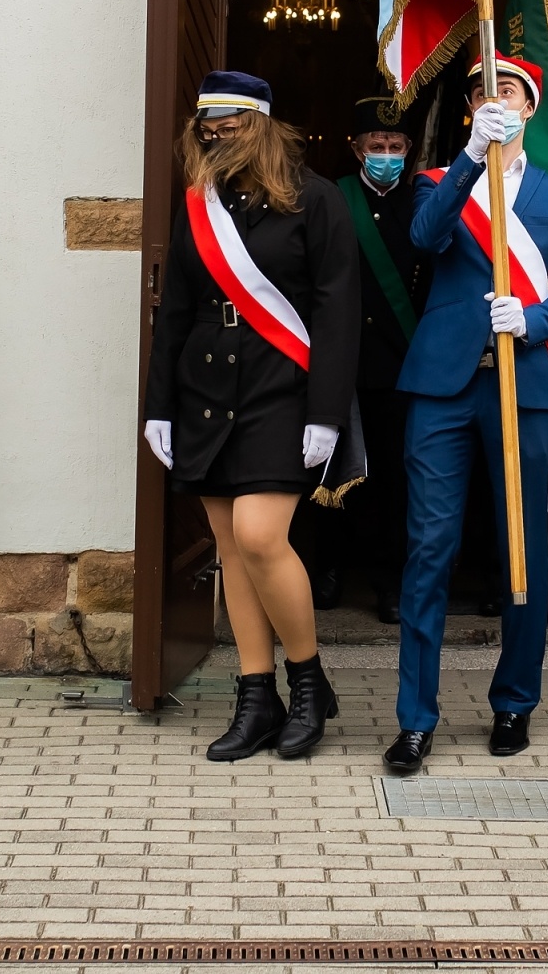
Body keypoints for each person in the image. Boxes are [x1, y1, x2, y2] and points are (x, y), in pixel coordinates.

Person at [384, 54, 548, 772]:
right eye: (480, 92)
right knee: (428, 551)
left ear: (530, 107)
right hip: (444, 386)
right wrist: (472, 158)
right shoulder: (440, 181)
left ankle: (514, 704)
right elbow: (425, 238)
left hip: (520, 384)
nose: (492, 100)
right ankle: (416, 717)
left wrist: (533, 319)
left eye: (505, 91)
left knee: (522, 552)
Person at [142, 71, 360, 762]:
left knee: (262, 538)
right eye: (207, 122)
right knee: (230, 549)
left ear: (262, 123)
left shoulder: (315, 199)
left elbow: (337, 312)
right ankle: (254, 696)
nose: (216, 131)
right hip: (205, 387)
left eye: (231, 120)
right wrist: (160, 408)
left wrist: (326, 414)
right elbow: (174, 310)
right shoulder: (200, 206)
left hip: (281, 389)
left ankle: (307, 683)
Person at [310, 97, 429, 625]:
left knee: (392, 480)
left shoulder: (425, 202)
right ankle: (325, 571)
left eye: (396, 146)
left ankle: (390, 583)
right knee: (325, 471)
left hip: (400, 364)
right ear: (356, 149)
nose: (386, 154)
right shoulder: (331, 198)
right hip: (341, 361)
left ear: (409, 150)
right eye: (376, 146)